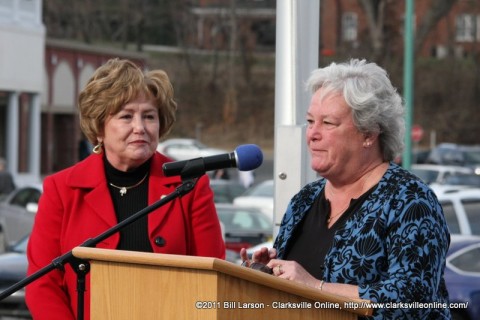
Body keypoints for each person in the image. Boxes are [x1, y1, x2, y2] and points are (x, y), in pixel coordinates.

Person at [240, 59, 451, 319]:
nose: (312, 134)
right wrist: (265, 274)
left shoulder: (410, 201)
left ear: (369, 134)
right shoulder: (304, 200)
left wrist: (314, 287)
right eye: (310, 121)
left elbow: (412, 302)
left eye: (328, 123)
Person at [26, 58, 225, 320]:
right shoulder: (61, 189)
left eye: (149, 116)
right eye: (126, 116)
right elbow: (42, 285)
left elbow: (212, 279)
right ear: (99, 128)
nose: (140, 128)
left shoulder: (190, 186)